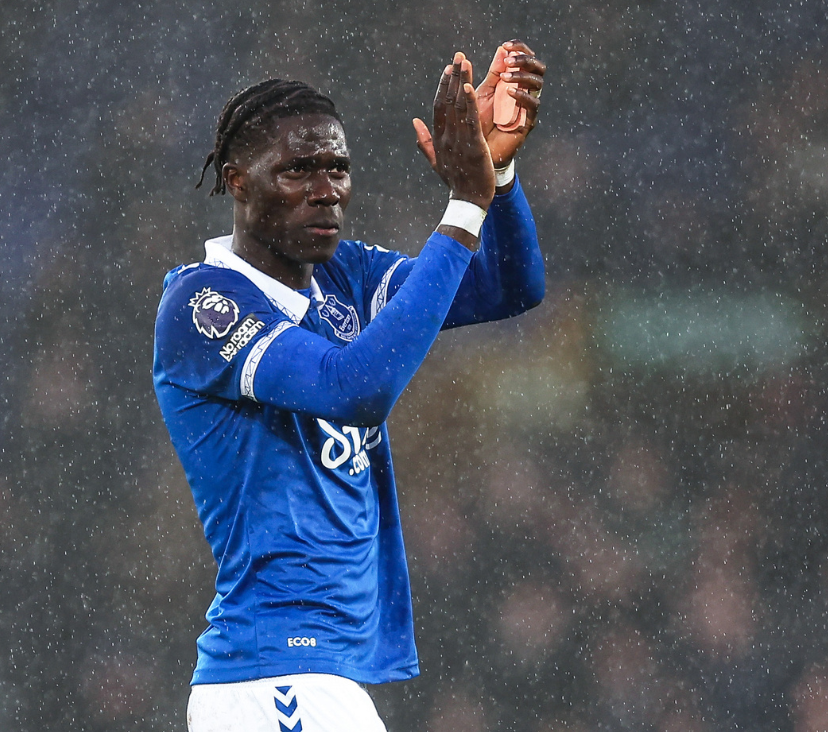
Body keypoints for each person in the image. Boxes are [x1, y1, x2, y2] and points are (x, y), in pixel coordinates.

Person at [152, 42, 546, 732]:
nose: (325, 188)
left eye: (337, 169)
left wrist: (498, 176)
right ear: (238, 180)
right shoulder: (205, 303)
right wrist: (462, 204)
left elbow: (509, 286)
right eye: (299, 170)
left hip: (316, 676)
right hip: (274, 672)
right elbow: (355, 388)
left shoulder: (346, 278)